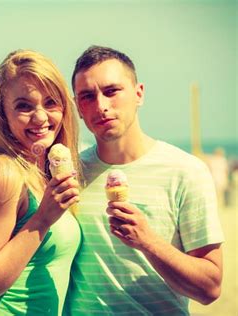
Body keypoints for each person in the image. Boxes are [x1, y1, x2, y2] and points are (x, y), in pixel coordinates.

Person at [63, 46, 224, 315]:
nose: (101, 106)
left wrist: (148, 241)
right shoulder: (71, 173)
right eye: (87, 96)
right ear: (77, 107)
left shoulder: (186, 171)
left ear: (139, 94)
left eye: (112, 91)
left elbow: (210, 288)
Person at [0, 49, 82, 315]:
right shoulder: (4, 174)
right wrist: (42, 219)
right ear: (3, 114)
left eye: (50, 103)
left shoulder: (46, 173)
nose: (40, 117)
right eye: (24, 106)